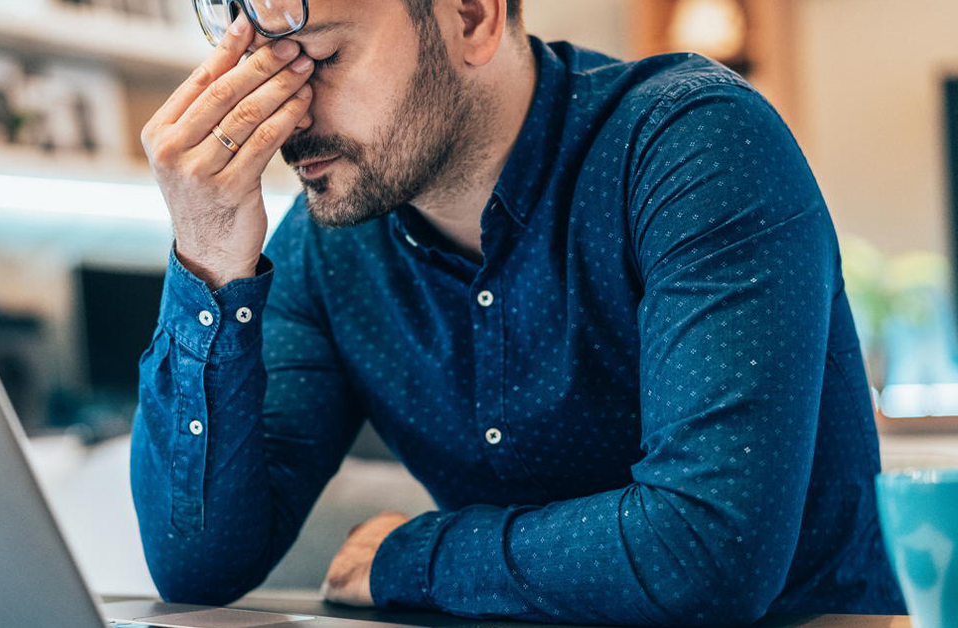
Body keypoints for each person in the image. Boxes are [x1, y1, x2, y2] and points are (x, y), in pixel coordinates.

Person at [130, 0, 907, 624]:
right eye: (268, 72)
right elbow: (199, 567)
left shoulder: (694, 145)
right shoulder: (332, 246)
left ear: (472, 16)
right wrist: (208, 255)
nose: (291, 119)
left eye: (325, 59)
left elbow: (705, 556)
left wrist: (416, 555)